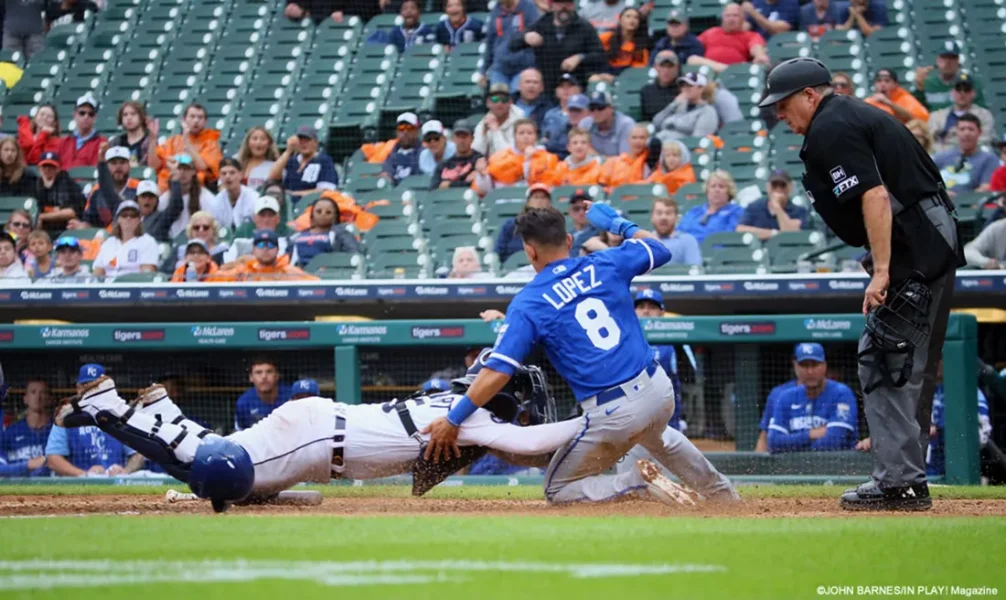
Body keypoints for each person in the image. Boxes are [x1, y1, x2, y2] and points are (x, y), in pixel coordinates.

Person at [423, 204, 739, 505]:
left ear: (530, 250)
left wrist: (454, 419)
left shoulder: (530, 301)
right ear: (570, 241)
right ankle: (723, 495)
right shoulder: (604, 262)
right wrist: (617, 223)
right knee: (658, 436)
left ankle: (633, 483)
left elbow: (497, 372)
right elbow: (660, 249)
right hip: (658, 390)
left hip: (615, 410)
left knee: (557, 489)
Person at [760, 57, 965, 510]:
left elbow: (873, 195)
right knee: (906, 364)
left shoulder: (832, 125)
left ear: (811, 95)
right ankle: (907, 478)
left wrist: (882, 270)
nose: (778, 114)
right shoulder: (846, 115)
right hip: (929, 236)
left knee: (884, 357)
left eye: (783, 103)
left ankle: (900, 483)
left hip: (916, 243)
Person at [51, 356, 589, 512]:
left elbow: (524, 453)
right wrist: (598, 419)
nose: (524, 409)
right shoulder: (472, 415)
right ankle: (106, 409)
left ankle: (152, 411)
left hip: (316, 437)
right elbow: (531, 444)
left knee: (233, 483)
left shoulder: (468, 413)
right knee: (212, 474)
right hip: (314, 436)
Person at [44, 366, 144, 477]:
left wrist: (125, 472)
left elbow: (138, 454)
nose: (90, 390)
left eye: (95, 386)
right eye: (86, 386)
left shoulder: (120, 414)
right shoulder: (64, 416)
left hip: (116, 486)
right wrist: (85, 475)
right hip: (79, 487)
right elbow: (53, 459)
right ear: (78, 388)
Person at [766, 343, 859, 453]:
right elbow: (774, 442)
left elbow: (834, 440)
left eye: (815, 365)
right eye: (804, 365)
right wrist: (811, 434)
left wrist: (794, 446)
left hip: (837, 467)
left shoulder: (841, 394)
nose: (810, 371)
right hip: (794, 469)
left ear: (824, 365)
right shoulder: (785, 397)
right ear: (796, 367)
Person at [508, 0, 608, 95]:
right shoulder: (542, 24)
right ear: (552, 5)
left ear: (573, 5)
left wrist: (580, 57)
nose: (563, 7)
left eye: (567, 3)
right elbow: (512, 45)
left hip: (575, 85)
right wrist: (525, 37)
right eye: (559, 3)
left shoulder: (584, 27)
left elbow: (600, 55)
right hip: (546, 85)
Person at [632, 290, 685, 432]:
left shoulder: (676, 340)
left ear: (662, 312)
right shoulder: (623, 340)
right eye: (641, 307)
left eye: (652, 307)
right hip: (631, 416)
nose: (646, 312)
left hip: (666, 417)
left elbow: (687, 378)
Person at [149, 103, 223, 193]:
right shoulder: (173, 141)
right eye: (192, 116)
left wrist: (187, 142)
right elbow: (154, 164)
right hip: (166, 189)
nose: (196, 120)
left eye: (200, 117)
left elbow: (202, 167)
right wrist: (153, 140)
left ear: (205, 121)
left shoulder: (211, 143)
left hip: (195, 191)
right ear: (184, 120)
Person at [474, 118, 558, 194]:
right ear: (514, 136)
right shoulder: (499, 158)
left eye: (530, 133)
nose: (526, 136)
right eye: (521, 133)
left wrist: (528, 161)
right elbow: (487, 191)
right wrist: (482, 176)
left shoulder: (548, 158)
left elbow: (551, 187)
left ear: (535, 137)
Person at [208, 229, 318, 282]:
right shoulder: (242, 271)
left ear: (277, 250)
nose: (265, 248)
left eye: (270, 245)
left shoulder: (289, 272)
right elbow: (211, 280)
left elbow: (317, 285)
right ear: (254, 250)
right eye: (260, 244)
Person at [480, 0, 540, 92]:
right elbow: (490, 43)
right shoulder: (496, 10)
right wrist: (483, 71)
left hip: (524, 67)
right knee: (498, 98)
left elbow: (538, 30)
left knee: (515, 97)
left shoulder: (528, 6)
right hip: (500, 68)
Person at [91, 201, 160, 280]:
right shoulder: (109, 243)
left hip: (133, 287)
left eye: (133, 216)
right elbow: (98, 272)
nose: (128, 218)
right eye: (124, 215)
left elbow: (147, 276)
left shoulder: (148, 242)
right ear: (119, 219)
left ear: (139, 220)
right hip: (107, 288)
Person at [735, 169, 811, 241]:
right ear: (768, 187)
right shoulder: (754, 207)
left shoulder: (799, 211)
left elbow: (790, 235)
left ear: (790, 187)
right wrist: (774, 233)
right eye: (774, 185)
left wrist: (778, 208)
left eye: (782, 185)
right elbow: (740, 230)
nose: (778, 189)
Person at [691, 4, 770, 72]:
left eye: (735, 15)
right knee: (692, 59)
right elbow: (694, 46)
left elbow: (756, 48)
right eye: (727, 16)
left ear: (743, 19)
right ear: (722, 19)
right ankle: (727, 70)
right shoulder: (710, 32)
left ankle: (728, 71)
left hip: (737, 75)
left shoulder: (750, 35)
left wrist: (759, 55)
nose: (731, 19)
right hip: (709, 73)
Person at [929, 75, 997, 153]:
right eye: (958, 90)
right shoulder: (937, 116)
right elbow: (930, 141)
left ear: (973, 93)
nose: (962, 93)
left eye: (966, 90)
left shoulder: (984, 115)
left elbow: (985, 139)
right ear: (952, 93)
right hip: (941, 157)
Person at [932, 114, 998, 194]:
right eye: (962, 129)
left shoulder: (989, 159)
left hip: (971, 204)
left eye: (971, 129)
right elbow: (929, 183)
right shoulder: (941, 157)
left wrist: (961, 198)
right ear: (956, 132)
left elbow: (985, 188)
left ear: (979, 132)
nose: (966, 133)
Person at [76, 145, 139, 228]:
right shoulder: (97, 190)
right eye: (113, 163)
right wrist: (81, 226)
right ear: (106, 166)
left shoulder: (139, 188)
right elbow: (89, 220)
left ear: (129, 165)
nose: (118, 167)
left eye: (122, 162)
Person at [268, 126, 338, 200]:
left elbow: (326, 191)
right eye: (300, 140)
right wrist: (288, 151)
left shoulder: (324, 161)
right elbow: (272, 177)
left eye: (307, 140)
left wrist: (293, 194)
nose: (303, 144)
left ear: (316, 143)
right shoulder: (291, 161)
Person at [289, 196, 361, 268]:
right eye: (318, 211)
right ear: (312, 215)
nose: (323, 214)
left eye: (328, 212)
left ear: (335, 216)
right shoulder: (297, 235)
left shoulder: (342, 234)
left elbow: (353, 256)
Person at [913, 42, 985, 112]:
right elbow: (917, 112)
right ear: (937, 61)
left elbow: (981, 112)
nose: (948, 62)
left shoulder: (971, 82)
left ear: (958, 61)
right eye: (944, 57)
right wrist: (919, 89)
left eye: (952, 58)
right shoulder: (928, 84)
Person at [0, 379, 51, 477]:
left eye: (43, 393)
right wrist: (28, 464)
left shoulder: (57, 431)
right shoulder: (12, 431)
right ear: (25, 399)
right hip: (16, 487)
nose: (38, 397)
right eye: (33, 392)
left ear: (49, 399)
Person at [677, 169, 744, 243]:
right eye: (713, 186)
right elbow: (679, 232)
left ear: (729, 191)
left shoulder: (735, 212)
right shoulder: (695, 211)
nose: (716, 190)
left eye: (721, 187)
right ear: (707, 190)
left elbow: (727, 237)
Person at [158, 154, 215, 239]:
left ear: (193, 172)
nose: (182, 172)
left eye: (186, 169)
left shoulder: (206, 197)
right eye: (179, 169)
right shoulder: (165, 198)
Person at [495, 183, 553, 263]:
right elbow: (498, 251)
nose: (539, 201)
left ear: (549, 202)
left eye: (543, 197)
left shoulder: (555, 226)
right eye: (536, 197)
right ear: (528, 202)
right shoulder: (511, 224)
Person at [652, 72, 719, 142]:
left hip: (677, 150)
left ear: (701, 88)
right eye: (683, 85)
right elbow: (656, 123)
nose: (686, 88)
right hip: (660, 144)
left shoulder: (707, 111)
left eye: (690, 85)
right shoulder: (678, 106)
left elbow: (697, 141)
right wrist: (673, 105)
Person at [226, 196, 293, 262]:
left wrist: (251, 260)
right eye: (262, 215)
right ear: (254, 218)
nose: (266, 220)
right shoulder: (239, 244)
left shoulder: (287, 244)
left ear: (278, 218)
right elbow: (225, 265)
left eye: (270, 215)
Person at [33, 150, 85, 235]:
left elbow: (71, 212)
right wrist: (56, 211)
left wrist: (42, 216)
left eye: (51, 167)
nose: (47, 170)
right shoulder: (36, 184)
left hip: (66, 227)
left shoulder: (67, 182)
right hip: (45, 229)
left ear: (58, 169)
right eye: (44, 166)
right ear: (39, 169)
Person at [593, 7, 650, 82]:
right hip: (604, 76)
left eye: (636, 18)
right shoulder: (606, 38)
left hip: (627, 80)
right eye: (628, 16)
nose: (632, 20)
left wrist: (616, 79)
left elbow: (637, 73)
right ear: (620, 20)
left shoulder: (641, 48)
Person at [234, 359, 293, 431]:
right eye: (258, 372)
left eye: (269, 372)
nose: (264, 376)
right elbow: (240, 433)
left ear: (277, 376)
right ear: (251, 377)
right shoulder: (244, 402)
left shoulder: (292, 397)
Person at [578, 90, 636, 158]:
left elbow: (625, 160)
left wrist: (596, 156)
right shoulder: (585, 124)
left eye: (600, 108)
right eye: (592, 109)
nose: (596, 112)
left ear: (611, 108)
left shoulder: (626, 125)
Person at [474, 83, 526, 158]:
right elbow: (476, 153)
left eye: (504, 100)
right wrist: (484, 133)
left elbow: (508, 155)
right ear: (488, 103)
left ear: (510, 102)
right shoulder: (483, 122)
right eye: (495, 99)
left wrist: (495, 130)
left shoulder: (521, 121)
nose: (499, 103)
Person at [56, 94, 106, 169]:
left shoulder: (102, 142)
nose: (86, 117)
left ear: (95, 118)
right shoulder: (64, 142)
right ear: (75, 115)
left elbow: (95, 171)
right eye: (82, 113)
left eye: (90, 114)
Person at [597, 124, 655, 189]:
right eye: (634, 137)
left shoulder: (651, 163)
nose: (637, 141)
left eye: (642, 138)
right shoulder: (612, 162)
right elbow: (601, 188)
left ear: (648, 141)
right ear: (628, 140)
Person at [430, 119, 483, 189]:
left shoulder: (479, 160)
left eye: (465, 136)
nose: (461, 141)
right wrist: (463, 183)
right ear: (453, 139)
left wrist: (449, 185)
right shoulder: (444, 165)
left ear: (472, 138)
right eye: (458, 136)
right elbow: (433, 188)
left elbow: (478, 186)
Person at [211, 158, 260, 232]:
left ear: (240, 175)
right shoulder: (216, 201)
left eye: (232, 173)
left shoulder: (254, 197)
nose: (227, 177)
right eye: (224, 173)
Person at [864, 68, 929, 124]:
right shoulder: (869, 102)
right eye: (879, 81)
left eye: (887, 81)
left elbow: (919, 120)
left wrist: (889, 103)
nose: (882, 84)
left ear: (895, 84)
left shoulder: (905, 98)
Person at [650, 196, 702, 265]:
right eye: (659, 213)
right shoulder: (643, 242)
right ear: (652, 217)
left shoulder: (688, 241)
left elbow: (695, 270)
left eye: (668, 213)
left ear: (677, 218)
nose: (663, 217)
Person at [542, 85, 589, 157]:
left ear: (588, 112)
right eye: (571, 110)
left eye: (577, 110)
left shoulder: (592, 131)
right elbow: (548, 145)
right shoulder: (563, 128)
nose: (573, 114)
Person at [381, 113, 422, 185]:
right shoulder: (392, 154)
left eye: (409, 128)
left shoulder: (423, 153)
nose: (405, 132)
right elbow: (387, 174)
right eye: (401, 128)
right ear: (397, 132)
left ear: (417, 131)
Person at [640, 50, 681, 123]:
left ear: (677, 67)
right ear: (655, 67)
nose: (666, 70)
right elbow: (645, 120)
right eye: (662, 66)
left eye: (670, 66)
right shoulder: (647, 91)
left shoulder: (683, 90)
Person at [108, 101, 152, 167]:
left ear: (141, 117)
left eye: (133, 114)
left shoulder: (149, 141)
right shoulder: (115, 142)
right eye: (125, 115)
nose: (129, 118)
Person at [236, 127, 279, 191]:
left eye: (263, 139)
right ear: (248, 143)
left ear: (269, 144)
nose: (258, 142)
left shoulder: (275, 166)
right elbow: (222, 186)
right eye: (254, 139)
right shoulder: (235, 160)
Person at [567, 189, 601, 256]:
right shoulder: (567, 234)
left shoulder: (600, 233)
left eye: (585, 208)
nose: (581, 212)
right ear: (569, 211)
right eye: (576, 209)